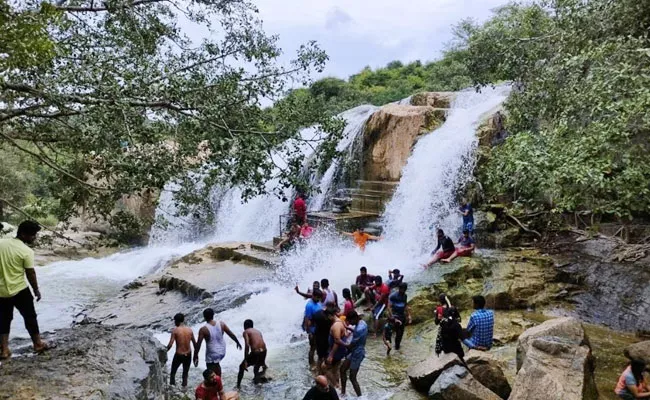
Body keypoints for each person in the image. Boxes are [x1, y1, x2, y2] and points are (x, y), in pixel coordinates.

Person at [0, 220, 53, 359]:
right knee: (30, 316)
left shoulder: (1, 243)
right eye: (33, 235)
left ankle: (4, 350)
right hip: (19, 289)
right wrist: (36, 290)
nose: (34, 237)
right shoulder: (26, 251)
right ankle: (38, 344)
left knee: (4, 319)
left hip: (1, 291)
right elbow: (30, 273)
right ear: (24, 234)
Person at [194, 308, 242, 376]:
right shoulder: (221, 324)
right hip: (222, 351)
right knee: (216, 364)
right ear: (213, 315)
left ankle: (215, 383)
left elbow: (198, 344)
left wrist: (195, 355)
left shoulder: (203, 329)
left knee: (210, 371)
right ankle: (219, 380)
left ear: (204, 317)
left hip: (212, 353)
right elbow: (230, 334)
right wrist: (237, 342)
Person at [341, 310, 367, 397]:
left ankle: (360, 397)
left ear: (355, 318)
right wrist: (348, 328)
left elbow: (350, 346)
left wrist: (339, 341)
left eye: (350, 321)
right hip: (356, 350)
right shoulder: (362, 322)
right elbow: (355, 330)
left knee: (352, 378)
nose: (350, 323)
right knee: (342, 369)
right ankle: (343, 393)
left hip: (357, 353)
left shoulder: (359, 330)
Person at [167, 313, 197, 387]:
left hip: (179, 355)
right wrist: (196, 355)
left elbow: (170, 344)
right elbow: (195, 344)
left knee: (173, 372)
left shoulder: (175, 330)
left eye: (174, 321)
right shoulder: (190, 330)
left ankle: (172, 387)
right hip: (188, 354)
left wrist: (165, 351)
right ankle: (184, 389)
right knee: (185, 373)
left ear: (176, 321)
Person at [237, 319, 267, 388]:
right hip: (264, 351)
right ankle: (258, 386)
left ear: (245, 326)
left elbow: (247, 345)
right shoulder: (258, 331)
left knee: (241, 367)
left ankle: (238, 386)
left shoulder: (246, 332)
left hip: (256, 352)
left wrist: (245, 360)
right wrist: (263, 361)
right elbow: (261, 343)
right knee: (256, 368)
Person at [325, 311, 348, 388]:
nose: (326, 319)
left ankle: (336, 385)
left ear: (330, 315)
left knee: (324, 367)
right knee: (335, 369)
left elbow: (337, 341)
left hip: (336, 351)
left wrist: (331, 355)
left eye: (327, 317)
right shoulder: (340, 320)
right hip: (339, 350)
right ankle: (336, 385)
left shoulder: (336, 325)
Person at [388, 283, 412, 351]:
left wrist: (409, 315)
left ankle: (397, 346)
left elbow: (405, 305)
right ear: (399, 288)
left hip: (402, 315)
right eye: (402, 289)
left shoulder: (405, 296)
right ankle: (396, 347)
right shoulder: (393, 296)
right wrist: (392, 316)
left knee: (401, 332)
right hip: (395, 316)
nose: (403, 291)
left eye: (404, 290)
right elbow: (389, 307)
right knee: (398, 332)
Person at [303, 289, 324, 365]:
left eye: (319, 298)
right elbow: (307, 319)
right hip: (313, 329)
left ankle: (318, 362)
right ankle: (311, 363)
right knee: (313, 347)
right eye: (317, 297)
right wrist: (309, 332)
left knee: (319, 347)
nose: (318, 299)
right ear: (313, 296)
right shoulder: (309, 305)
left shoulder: (318, 303)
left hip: (319, 329)